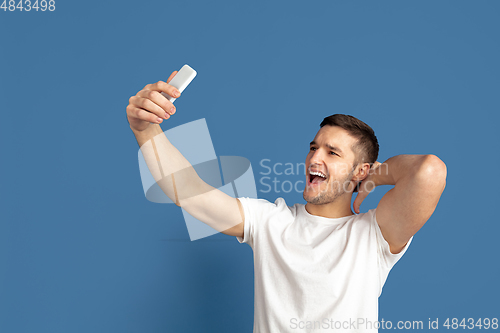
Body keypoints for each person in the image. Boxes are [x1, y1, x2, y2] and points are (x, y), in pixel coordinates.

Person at [126, 70, 447, 333]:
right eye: (313, 147)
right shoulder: (269, 221)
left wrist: (377, 174)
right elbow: (187, 189)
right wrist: (145, 130)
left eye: (332, 152)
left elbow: (429, 171)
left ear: (359, 170)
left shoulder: (373, 235)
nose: (314, 158)